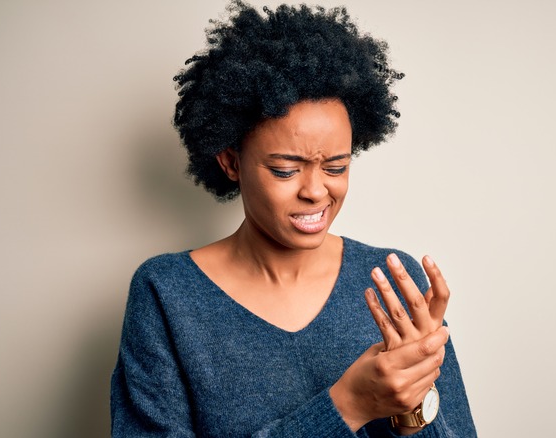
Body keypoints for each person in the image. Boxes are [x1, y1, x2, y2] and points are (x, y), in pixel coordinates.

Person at [110, 2, 476, 436]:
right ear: (231, 161)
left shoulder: (394, 284)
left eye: (336, 167)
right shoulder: (167, 294)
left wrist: (412, 407)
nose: (317, 191)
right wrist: (347, 406)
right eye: (285, 170)